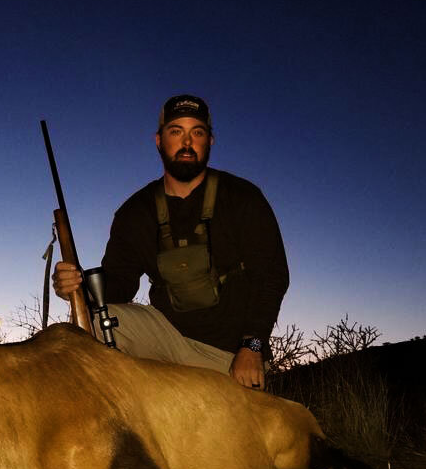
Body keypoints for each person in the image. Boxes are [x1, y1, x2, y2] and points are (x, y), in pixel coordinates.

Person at [53, 94, 289, 390]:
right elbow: (120, 283)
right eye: (176, 131)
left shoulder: (243, 197)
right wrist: (77, 287)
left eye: (197, 132)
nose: (187, 142)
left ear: (210, 141)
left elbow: (273, 275)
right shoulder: (135, 211)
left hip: (231, 354)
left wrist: (252, 347)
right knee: (94, 323)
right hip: (168, 338)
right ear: (159, 140)